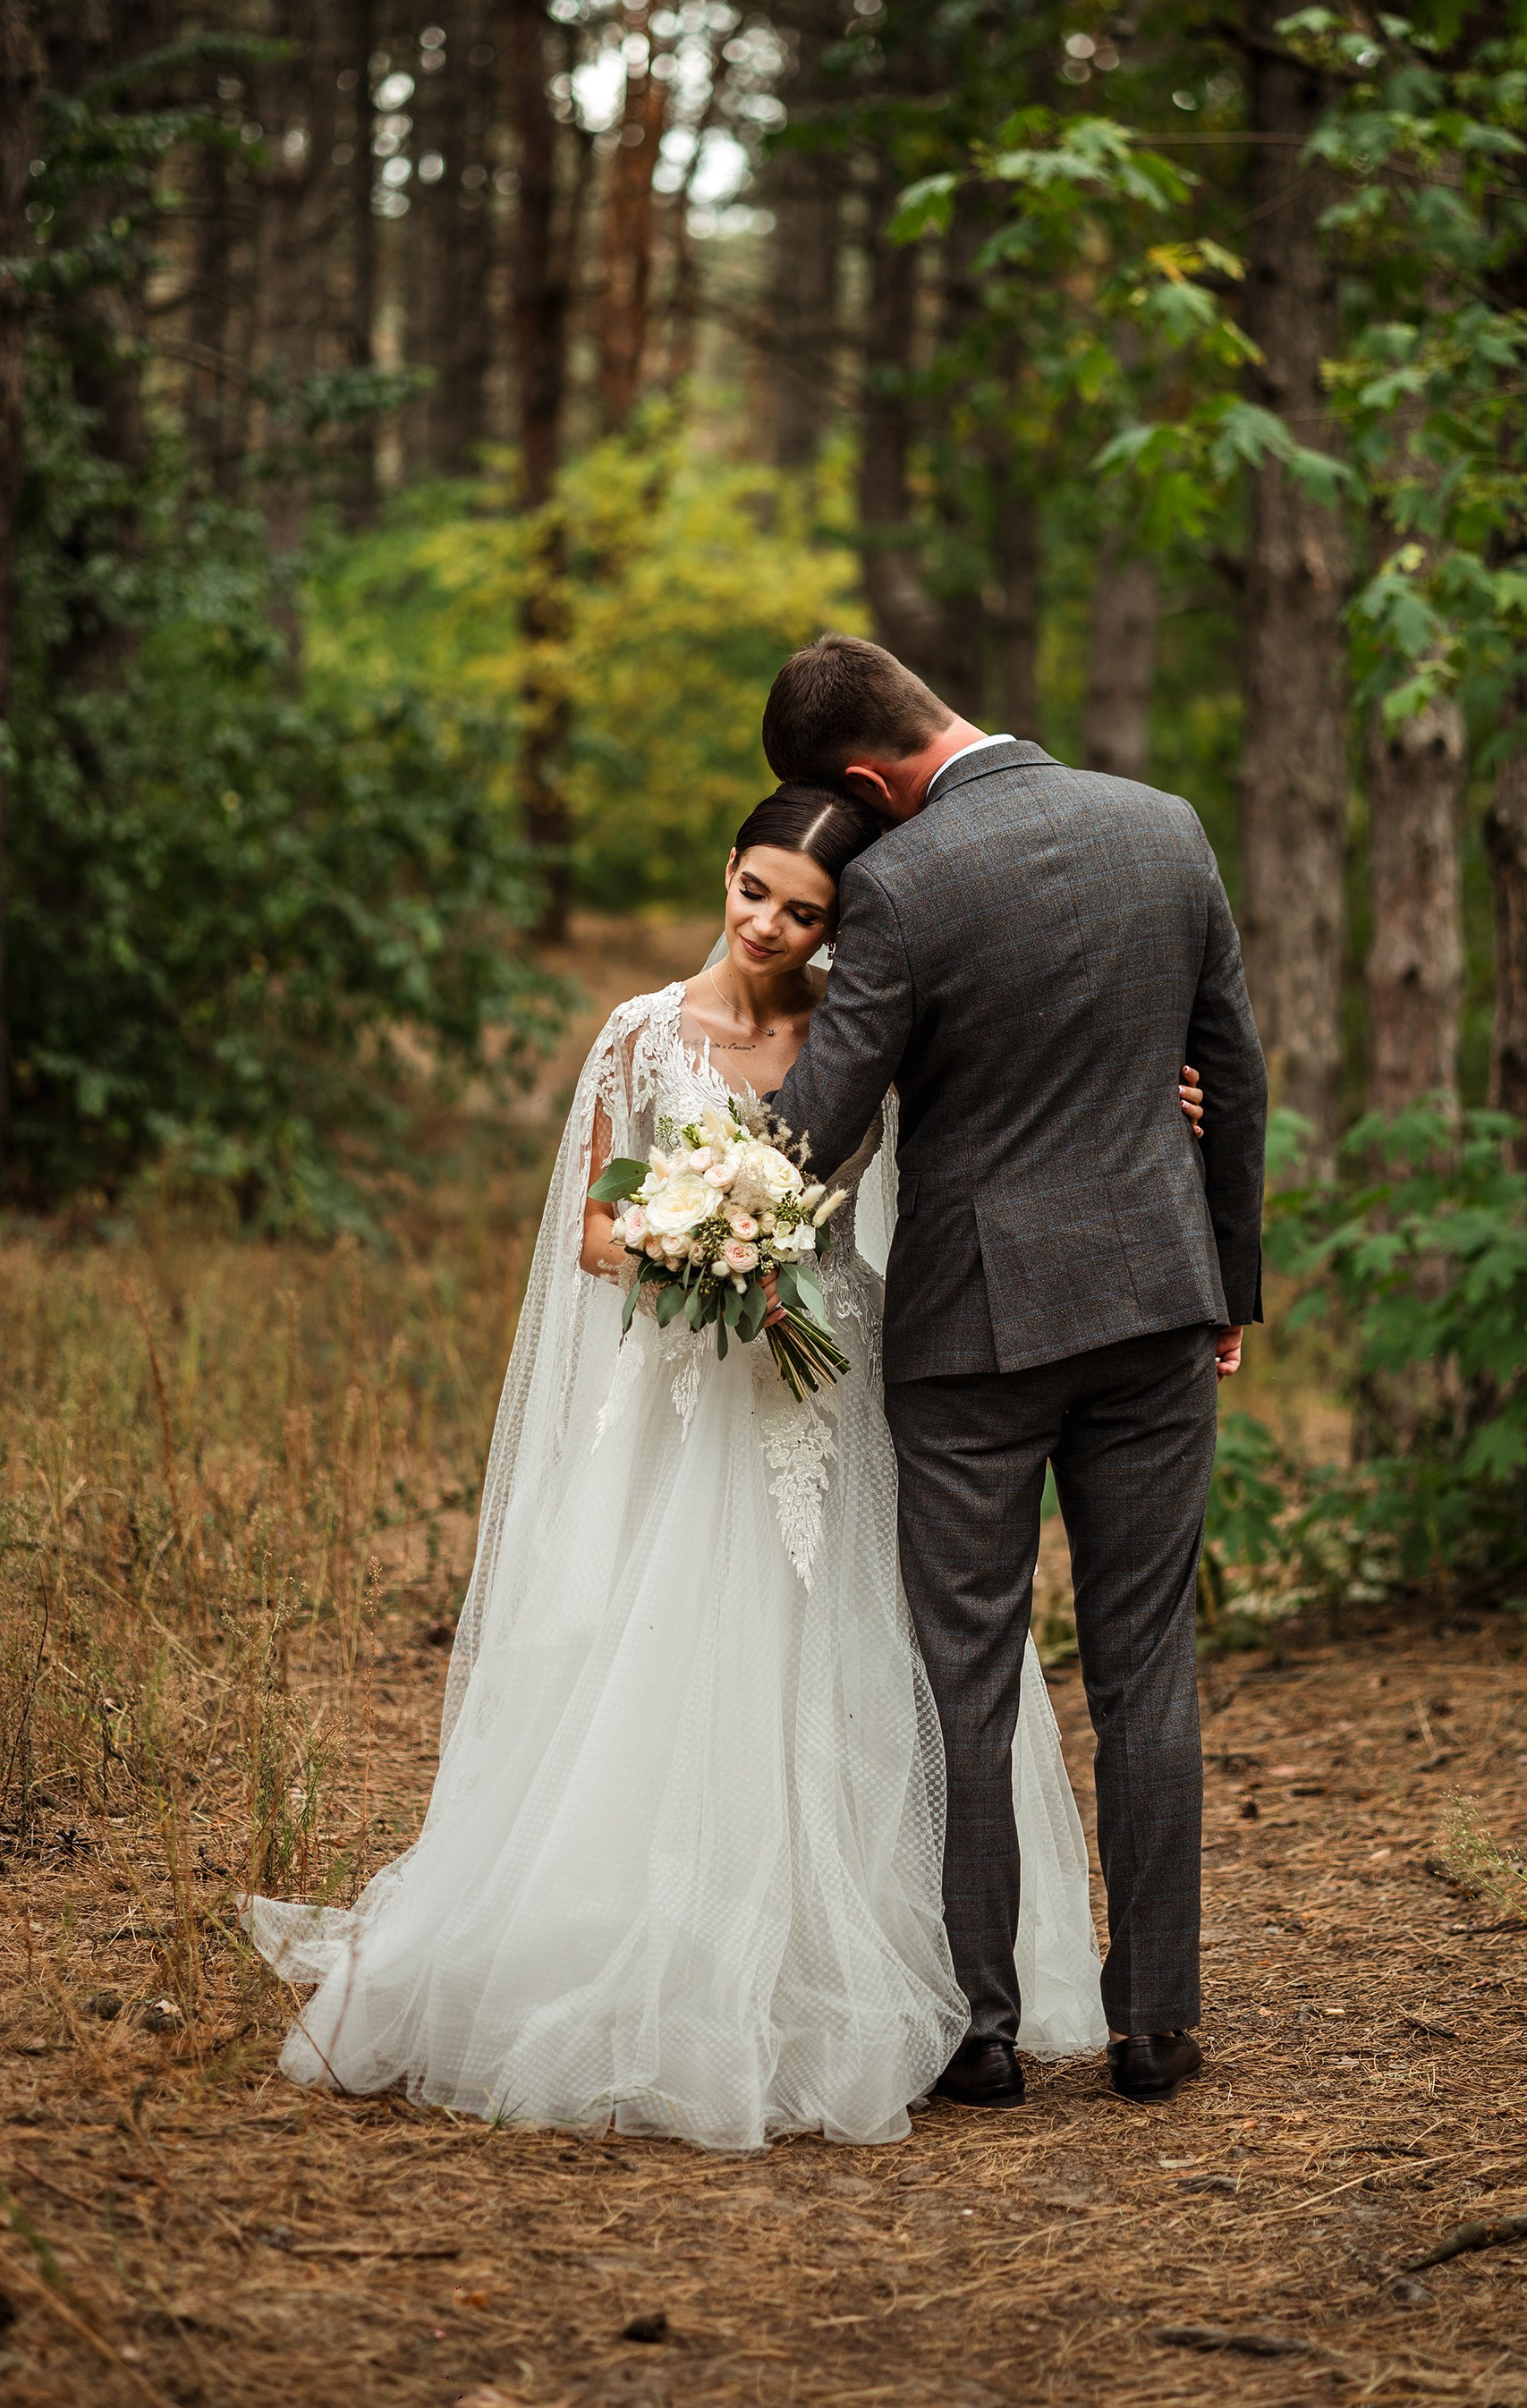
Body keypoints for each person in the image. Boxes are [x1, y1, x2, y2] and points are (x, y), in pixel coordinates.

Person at [244, 784, 1107, 2151]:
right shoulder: (642, 1033)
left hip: (843, 1376)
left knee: (863, 1653)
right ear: (727, 872)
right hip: (693, 1389)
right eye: (754, 890)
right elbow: (594, 1228)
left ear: (842, 922)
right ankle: (654, 1963)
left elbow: (1008, 1110)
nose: (768, 925)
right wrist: (710, 1245)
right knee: (678, 1650)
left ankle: (872, 1967)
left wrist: (1161, 1090)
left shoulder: (864, 1029)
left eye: (805, 911)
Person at [762, 638, 1268, 2109]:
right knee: (1146, 1665)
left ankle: (981, 2028)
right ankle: (1156, 2021)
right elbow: (1230, 1070)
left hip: (974, 1334)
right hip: (1156, 1305)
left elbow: (819, 1128)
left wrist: (700, 1157)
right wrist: (1226, 1282)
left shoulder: (902, 889)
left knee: (968, 1674)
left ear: (866, 782)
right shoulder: (1163, 826)